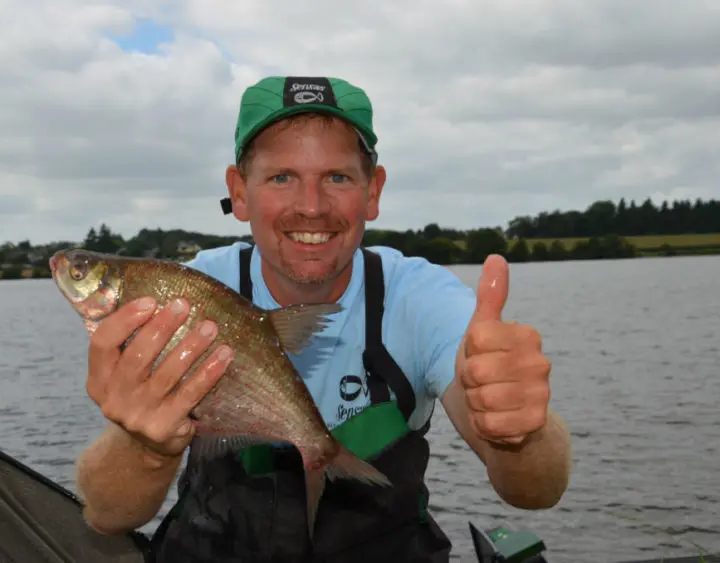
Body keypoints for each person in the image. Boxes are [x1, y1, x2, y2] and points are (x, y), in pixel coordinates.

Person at [74, 76, 573, 562]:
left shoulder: (421, 299)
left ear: (372, 191)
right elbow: (108, 515)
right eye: (281, 177)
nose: (310, 208)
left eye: (337, 177)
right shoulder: (188, 299)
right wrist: (148, 447)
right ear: (239, 192)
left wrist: (521, 432)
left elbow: (537, 493)